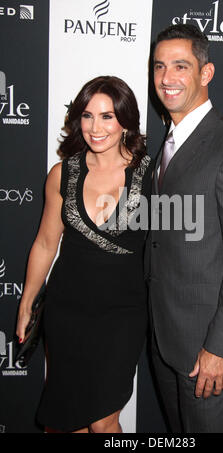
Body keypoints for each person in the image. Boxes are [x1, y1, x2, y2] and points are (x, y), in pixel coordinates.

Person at [148, 24, 223, 433]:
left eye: (181, 66)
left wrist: (220, 348)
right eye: (160, 66)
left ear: (206, 73)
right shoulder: (166, 146)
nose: (167, 78)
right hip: (168, 338)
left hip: (209, 346)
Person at [16, 76, 153, 433]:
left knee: (104, 420)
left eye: (107, 116)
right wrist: (27, 303)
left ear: (125, 120)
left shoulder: (152, 174)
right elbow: (46, 243)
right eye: (87, 116)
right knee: (70, 419)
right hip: (67, 311)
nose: (96, 127)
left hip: (123, 314)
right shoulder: (62, 174)